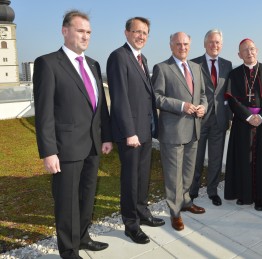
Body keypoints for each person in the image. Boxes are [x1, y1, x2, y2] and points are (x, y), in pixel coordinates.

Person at [33, 10, 112, 259]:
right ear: (65, 31)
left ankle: (83, 237)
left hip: (92, 145)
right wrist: (48, 151)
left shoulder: (93, 65)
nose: (85, 36)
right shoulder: (48, 63)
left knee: (87, 195)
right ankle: (68, 250)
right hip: (65, 147)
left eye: (88, 32)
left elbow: (101, 107)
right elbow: (44, 112)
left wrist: (106, 136)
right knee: (67, 202)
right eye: (80, 31)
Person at [106, 17, 164, 245]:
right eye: (137, 31)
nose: (141, 36)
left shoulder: (142, 58)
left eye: (145, 33)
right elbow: (119, 98)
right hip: (131, 132)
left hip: (145, 129)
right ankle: (131, 225)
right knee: (130, 180)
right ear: (126, 33)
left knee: (142, 176)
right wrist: (130, 132)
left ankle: (142, 212)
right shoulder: (118, 57)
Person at [152, 32, 208, 231]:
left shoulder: (196, 68)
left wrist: (203, 107)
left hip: (193, 129)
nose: (182, 47)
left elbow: (202, 95)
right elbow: (157, 98)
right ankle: (175, 212)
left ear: (190, 45)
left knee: (188, 172)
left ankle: (185, 201)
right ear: (171, 46)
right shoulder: (162, 68)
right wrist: (181, 105)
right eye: (178, 44)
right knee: (173, 175)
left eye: (185, 44)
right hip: (173, 131)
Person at [224, 38, 262, 211]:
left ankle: (260, 197)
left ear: (257, 50)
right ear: (239, 54)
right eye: (244, 50)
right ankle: (243, 195)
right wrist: (249, 117)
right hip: (242, 123)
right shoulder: (235, 74)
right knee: (243, 159)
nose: (249, 52)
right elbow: (232, 101)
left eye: (251, 49)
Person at [189, 29, 233, 206]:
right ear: (205, 43)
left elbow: (229, 92)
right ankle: (192, 190)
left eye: (218, 43)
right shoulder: (194, 64)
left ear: (221, 45)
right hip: (199, 119)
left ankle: (212, 191)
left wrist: (229, 116)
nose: (215, 45)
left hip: (219, 120)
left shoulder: (227, 64)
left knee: (216, 158)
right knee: (196, 158)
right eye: (212, 42)